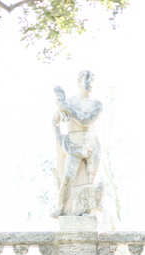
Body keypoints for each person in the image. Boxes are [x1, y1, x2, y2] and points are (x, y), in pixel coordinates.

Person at [52, 70, 104, 217]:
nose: (88, 84)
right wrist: (59, 137)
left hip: (91, 144)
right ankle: (60, 207)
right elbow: (54, 121)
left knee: (89, 178)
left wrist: (67, 108)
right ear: (79, 82)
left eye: (91, 81)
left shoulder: (96, 104)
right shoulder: (69, 101)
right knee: (68, 176)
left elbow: (86, 120)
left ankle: (86, 210)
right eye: (86, 80)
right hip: (73, 144)